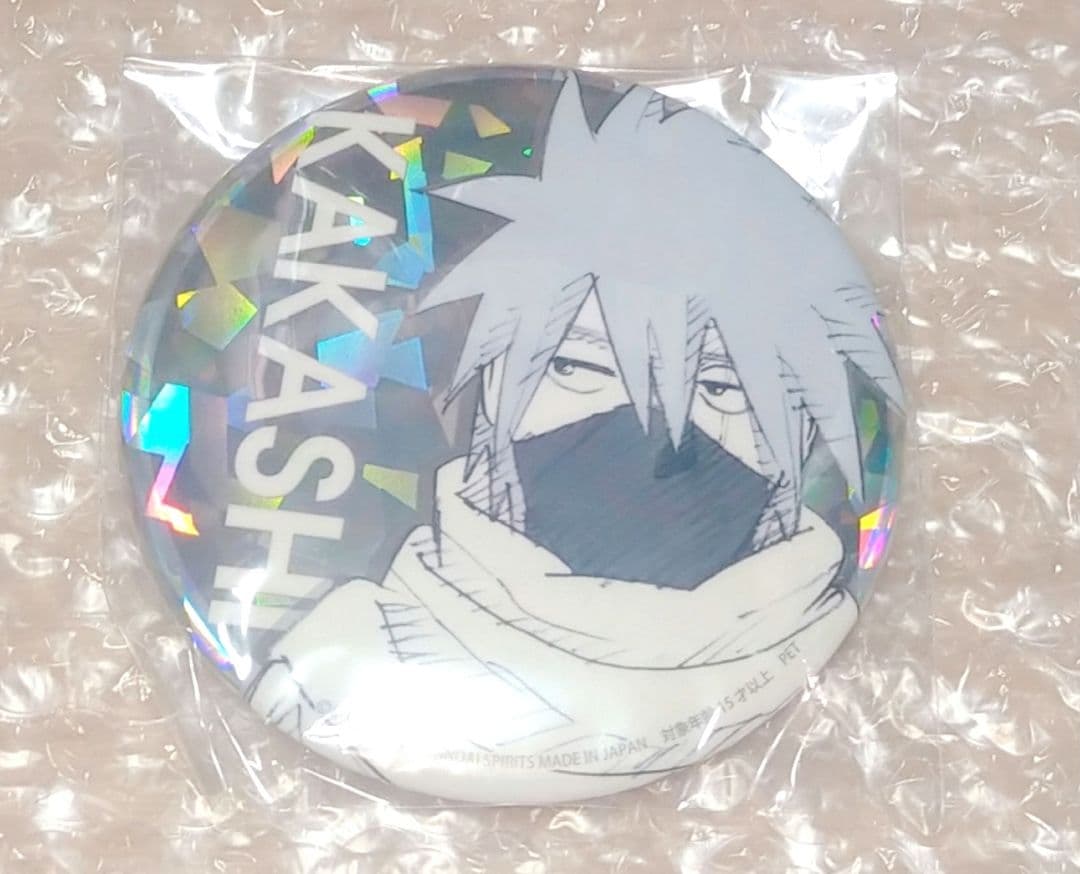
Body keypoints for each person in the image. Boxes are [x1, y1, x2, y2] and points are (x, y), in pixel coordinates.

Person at [245, 72, 903, 802]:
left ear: (802, 425)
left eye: (720, 388)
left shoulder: (829, 673)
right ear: (489, 393)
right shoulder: (329, 677)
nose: (642, 433)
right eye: (577, 367)